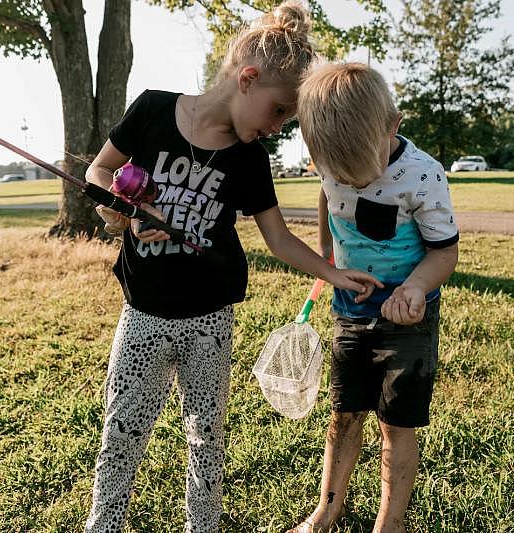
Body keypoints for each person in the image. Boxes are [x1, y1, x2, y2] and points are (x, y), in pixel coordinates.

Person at [82, 4, 383, 533]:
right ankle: (102, 525)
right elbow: (101, 169)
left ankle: (203, 526)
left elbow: (278, 237)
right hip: (142, 315)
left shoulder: (249, 160)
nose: (276, 127)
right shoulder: (152, 110)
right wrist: (121, 210)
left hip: (210, 320)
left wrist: (334, 274)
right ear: (247, 80)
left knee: (206, 434)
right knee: (123, 427)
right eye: (278, 112)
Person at [288, 62, 460, 533]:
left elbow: (446, 253)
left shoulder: (423, 175)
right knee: (343, 414)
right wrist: (329, 257)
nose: (355, 182)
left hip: (408, 317)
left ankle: (391, 522)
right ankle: (326, 508)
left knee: (395, 422)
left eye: (363, 172)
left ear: (394, 126)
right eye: (343, 173)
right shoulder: (329, 163)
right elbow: (327, 197)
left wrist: (415, 288)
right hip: (349, 311)